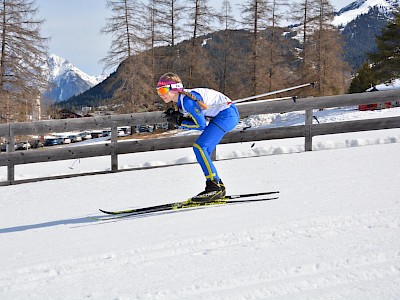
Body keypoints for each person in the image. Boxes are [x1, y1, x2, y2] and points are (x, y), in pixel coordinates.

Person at [156, 72, 240, 202]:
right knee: (203, 150)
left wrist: (180, 122)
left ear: (175, 88)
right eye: (158, 91)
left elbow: (200, 125)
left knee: (200, 147)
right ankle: (217, 185)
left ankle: (214, 186)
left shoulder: (188, 101)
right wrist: (180, 118)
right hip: (223, 115)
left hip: (226, 115)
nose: (161, 94)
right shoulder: (182, 101)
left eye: (163, 90)